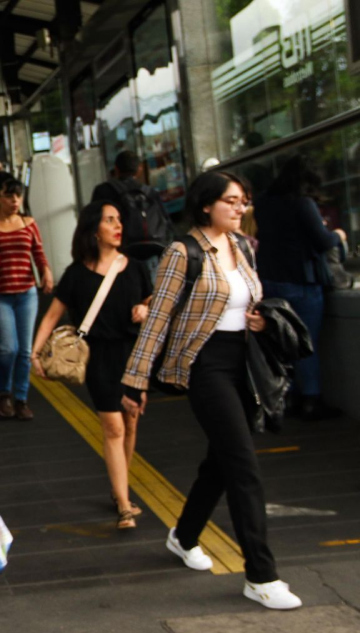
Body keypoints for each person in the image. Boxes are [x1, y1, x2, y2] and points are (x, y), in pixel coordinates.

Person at [120, 171, 302, 611]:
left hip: (245, 363)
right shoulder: (182, 252)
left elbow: (245, 302)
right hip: (206, 366)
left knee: (221, 463)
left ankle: (183, 537)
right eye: (232, 202)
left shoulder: (241, 248)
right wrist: (135, 379)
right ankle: (260, 575)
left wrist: (257, 320)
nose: (241, 209)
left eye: (243, 202)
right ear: (206, 206)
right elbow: (159, 317)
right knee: (243, 466)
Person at [31, 201, 151, 528]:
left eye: (118, 220)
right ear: (93, 230)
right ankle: (125, 504)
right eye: (109, 220)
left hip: (133, 356)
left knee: (130, 424)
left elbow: (152, 303)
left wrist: (145, 310)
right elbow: (51, 317)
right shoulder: (77, 274)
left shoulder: (136, 268)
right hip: (97, 357)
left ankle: (119, 488)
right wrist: (35, 353)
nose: (117, 226)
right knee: (113, 427)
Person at [252, 156, 346, 420]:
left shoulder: (263, 203)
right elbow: (322, 240)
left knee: (281, 342)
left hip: (270, 280)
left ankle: (288, 398)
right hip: (301, 281)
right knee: (305, 342)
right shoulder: (302, 203)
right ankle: (311, 400)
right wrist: (338, 235)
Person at [0, 173, 53, 420]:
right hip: (0, 295)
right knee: (8, 349)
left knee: (25, 350)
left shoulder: (29, 223)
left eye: (18, 195)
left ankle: (21, 399)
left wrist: (46, 271)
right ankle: (3, 393)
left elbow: (38, 253)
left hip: (27, 293)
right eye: (9, 196)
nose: (15, 200)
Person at [90, 150, 175, 280]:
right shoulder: (150, 192)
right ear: (139, 169)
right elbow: (167, 223)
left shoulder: (104, 191)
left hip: (120, 253)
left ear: (116, 169)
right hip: (152, 251)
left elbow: (92, 223)